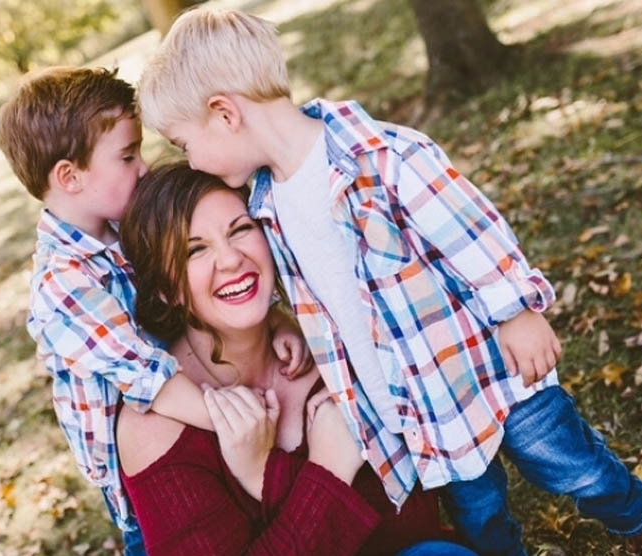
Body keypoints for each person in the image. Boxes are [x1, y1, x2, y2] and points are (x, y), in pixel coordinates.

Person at [135, 8, 642, 556]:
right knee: (479, 515)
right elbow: (315, 290)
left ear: (225, 113)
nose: (194, 162)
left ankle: (639, 522)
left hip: (488, 370)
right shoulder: (267, 203)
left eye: (186, 144)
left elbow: (470, 230)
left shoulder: (382, 157)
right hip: (420, 406)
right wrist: (284, 323)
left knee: (572, 463)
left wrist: (518, 309)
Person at [0, 66, 312, 554]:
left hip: (190, 418)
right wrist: (245, 424)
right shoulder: (63, 285)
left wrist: (276, 320)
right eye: (126, 155)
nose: (142, 167)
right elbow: (150, 380)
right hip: (142, 480)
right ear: (69, 176)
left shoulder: (122, 229)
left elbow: (193, 291)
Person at [117, 162, 476, 556]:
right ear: (166, 290)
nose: (232, 259)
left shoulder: (330, 344)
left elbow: (412, 522)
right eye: (195, 250)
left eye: (241, 229)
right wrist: (326, 469)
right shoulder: (154, 426)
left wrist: (266, 479)